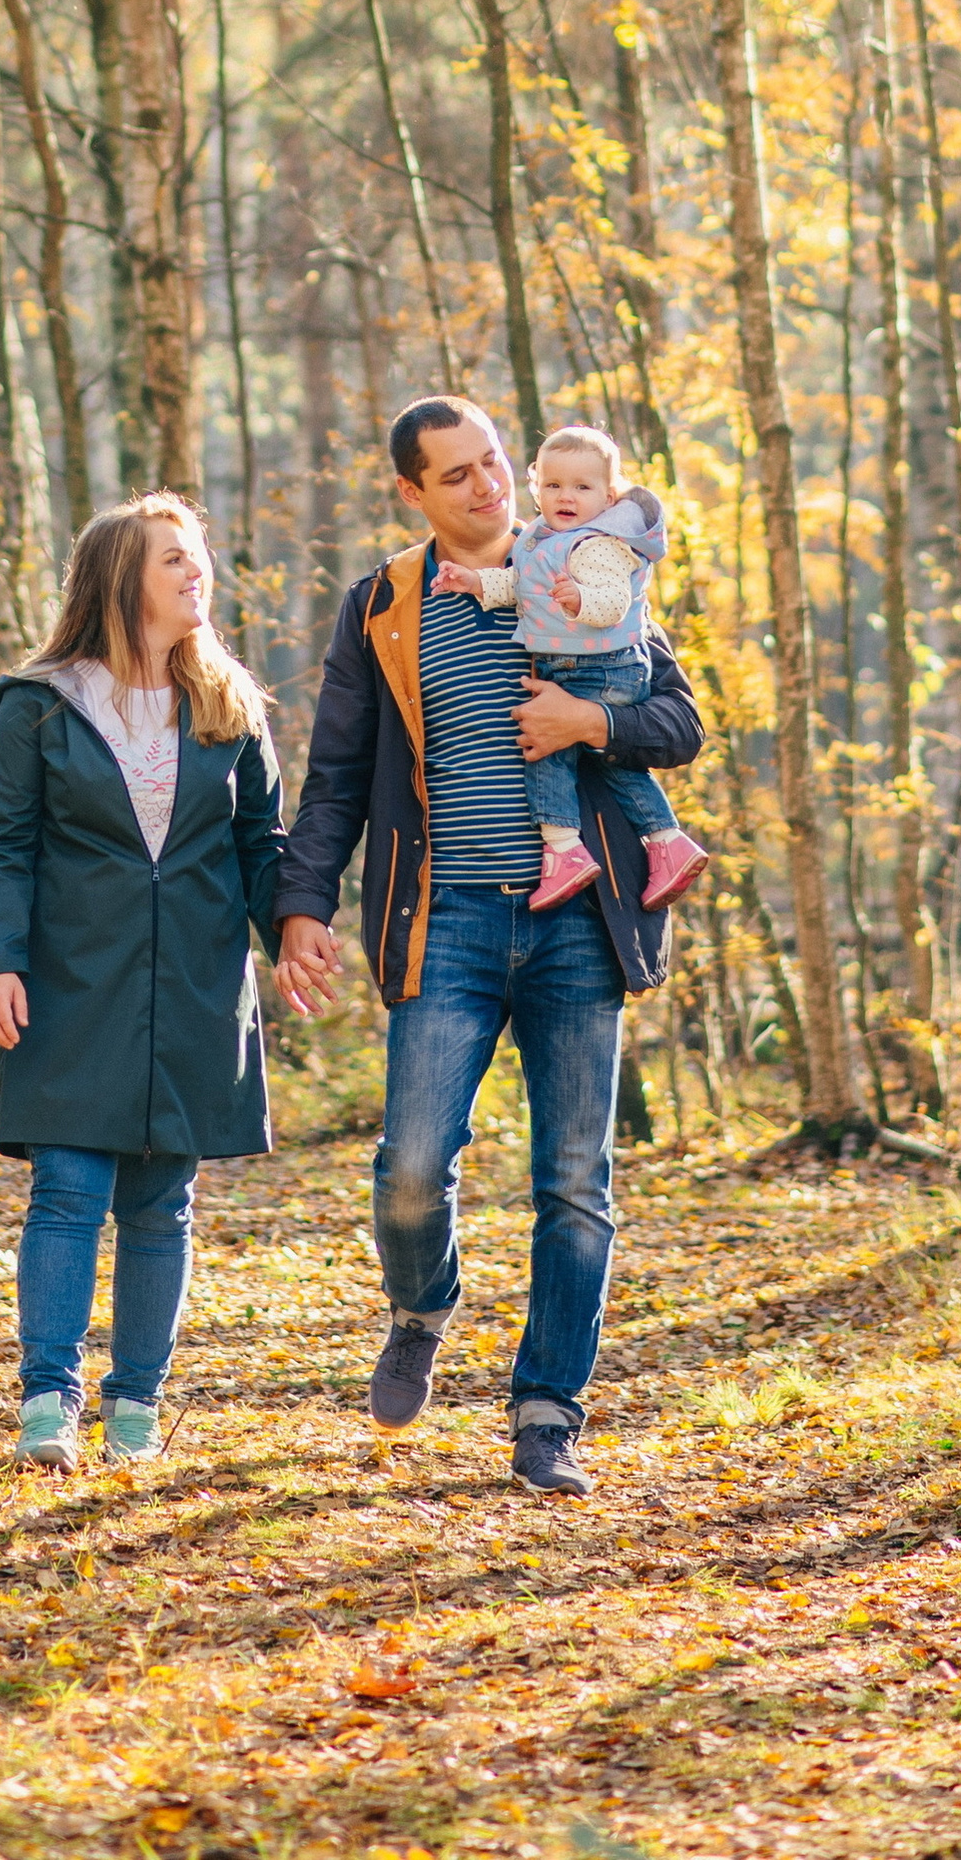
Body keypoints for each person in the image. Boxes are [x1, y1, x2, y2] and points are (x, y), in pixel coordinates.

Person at [272, 395, 705, 1495]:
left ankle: (548, 1412)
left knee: (574, 1184)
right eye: (457, 473)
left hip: (579, 923)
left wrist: (590, 723)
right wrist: (301, 905)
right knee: (411, 1168)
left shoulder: (584, 561)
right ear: (412, 492)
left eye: (496, 460)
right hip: (446, 921)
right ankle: (421, 1307)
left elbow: (679, 724)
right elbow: (335, 777)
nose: (489, 485)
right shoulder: (382, 604)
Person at [0, 492, 284, 1471]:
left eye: (198, 558)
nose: (197, 574)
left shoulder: (229, 703)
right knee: (67, 1189)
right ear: (120, 580)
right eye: (173, 559)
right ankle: (48, 1401)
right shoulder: (39, 704)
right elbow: (3, 847)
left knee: (160, 1202)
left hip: (195, 985)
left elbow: (263, 845)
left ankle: (137, 1403)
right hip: (73, 980)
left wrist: (296, 928)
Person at [437, 419, 709, 915]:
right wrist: (476, 583)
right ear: (536, 487)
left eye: (582, 487)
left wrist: (581, 599)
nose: (566, 496)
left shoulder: (596, 544)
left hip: (603, 669)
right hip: (576, 669)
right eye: (554, 485)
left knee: (548, 751)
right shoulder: (541, 541)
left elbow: (613, 600)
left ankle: (564, 849)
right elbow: (520, 587)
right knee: (608, 762)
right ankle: (667, 841)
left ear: (608, 496)